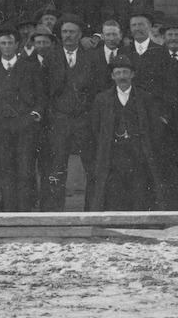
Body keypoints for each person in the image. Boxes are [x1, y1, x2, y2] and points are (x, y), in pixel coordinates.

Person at [41, 16, 106, 211]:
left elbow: (98, 89)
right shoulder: (50, 57)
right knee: (57, 167)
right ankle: (55, 212)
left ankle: (93, 210)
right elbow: (44, 90)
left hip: (84, 120)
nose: (68, 36)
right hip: (59, 120)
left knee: (92, 166)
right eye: (65, 32)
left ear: (79, 35)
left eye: (72, 32)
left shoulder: (92, 57)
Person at [0, 23, 44, 212]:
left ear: (17, 45)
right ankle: (8, 211)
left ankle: (25, 211)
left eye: (10, 43)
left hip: (25, 126)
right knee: (6, 170)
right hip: (2, 127)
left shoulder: (30, 68)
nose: (7, 46)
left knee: (25, 169)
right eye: (3, 43)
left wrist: (34, 116)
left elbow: (41, 96)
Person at [86, 58, 161, 210]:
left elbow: (154, 127)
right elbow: (95, 128)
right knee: (113, 191)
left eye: (125, 72)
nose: (122, 76)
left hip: (138, 153)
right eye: (118, 73)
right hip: (113, 153)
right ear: (112, 76)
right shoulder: (102, 99)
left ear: (132, 75)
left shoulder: (145, 98)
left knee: (139, 189)